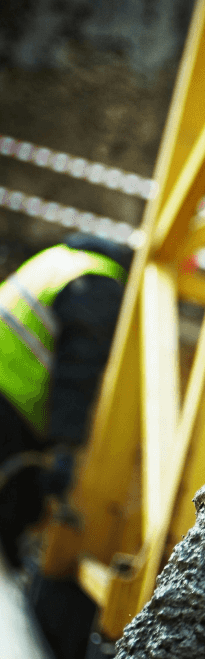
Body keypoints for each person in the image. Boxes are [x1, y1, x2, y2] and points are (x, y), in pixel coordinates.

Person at [0, 233, 131, 569]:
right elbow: (77, 373)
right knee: (16, 506)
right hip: (11, 400)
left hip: (9, 393)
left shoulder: (61, 259)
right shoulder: (99, 284)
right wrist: (64, 448)